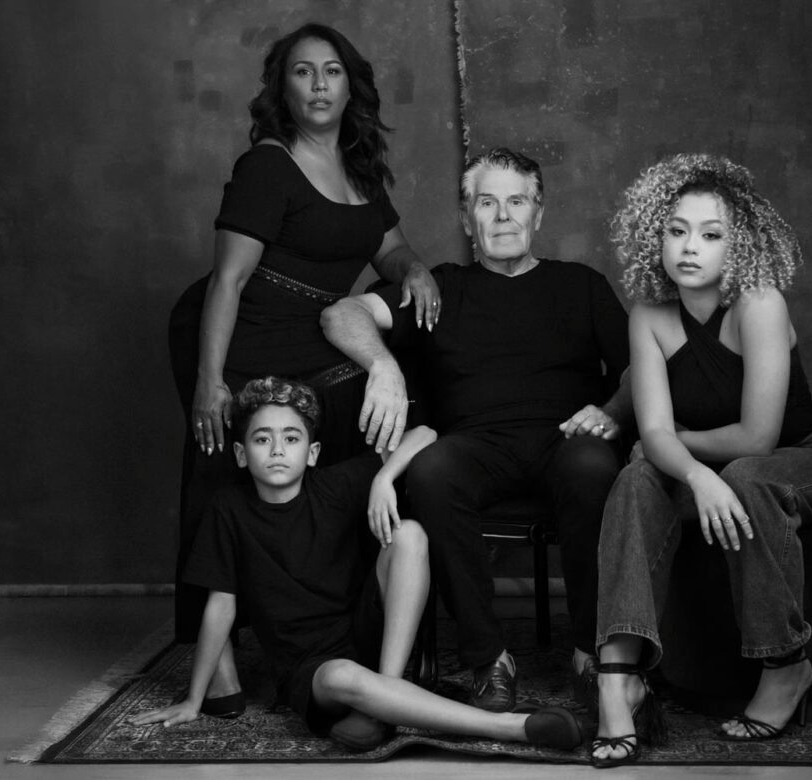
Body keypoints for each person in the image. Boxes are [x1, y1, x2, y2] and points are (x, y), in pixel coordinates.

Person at [167, 22, 442, 688]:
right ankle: (217, 663)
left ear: (351, 87)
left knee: (375, 420)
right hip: (241, 330)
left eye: (332, 71)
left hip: (311, 335)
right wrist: (210, 381)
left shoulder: (361, 169)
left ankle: (349, 615)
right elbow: (228, 280)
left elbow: (390, 248)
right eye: (303, 72)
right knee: (224, 466)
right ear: (282, 90)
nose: (319, 85)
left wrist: (415, 270)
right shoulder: (268, 165)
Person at [320, 148, 631, 714]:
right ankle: (489, 660)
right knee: (433, 472)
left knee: (593, 466)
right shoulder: (441, 288)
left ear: (539, 213)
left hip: (566, 436)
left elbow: (639, 369)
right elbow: (341, 314)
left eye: (517, 202)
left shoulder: (581, 285)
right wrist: (383, 365)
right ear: (468, 220)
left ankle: (591, 654)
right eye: (487, 203)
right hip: (474, 444)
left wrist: (612, 410)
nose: (504, 216)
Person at [133, 378, 584, 754]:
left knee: (410, 533)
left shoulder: (333, 485)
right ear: (240, 453)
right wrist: (194, 698)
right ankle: (515, 727)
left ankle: (384, 694)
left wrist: (385, 477)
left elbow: (425, 434)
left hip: (365, 634)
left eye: (291, 439)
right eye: (262, 439)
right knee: (342, 675)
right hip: (312, 667)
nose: (277, 450)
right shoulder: (228, 509)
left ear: (312, 452)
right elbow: (221, 606)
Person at [589, 154, 812, 767]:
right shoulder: (649, 315)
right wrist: (691, 473)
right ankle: (618, 677)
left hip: (808, 457)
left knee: (745, 475)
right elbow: (651, 435)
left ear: (738, 246)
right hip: (716, 466)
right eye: (676, 230)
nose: (690, 247)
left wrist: (679, 450)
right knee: (635, 478)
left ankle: (786, 665)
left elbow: (758, 438)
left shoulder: (759, 303)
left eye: (711, 235)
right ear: (654, 235)